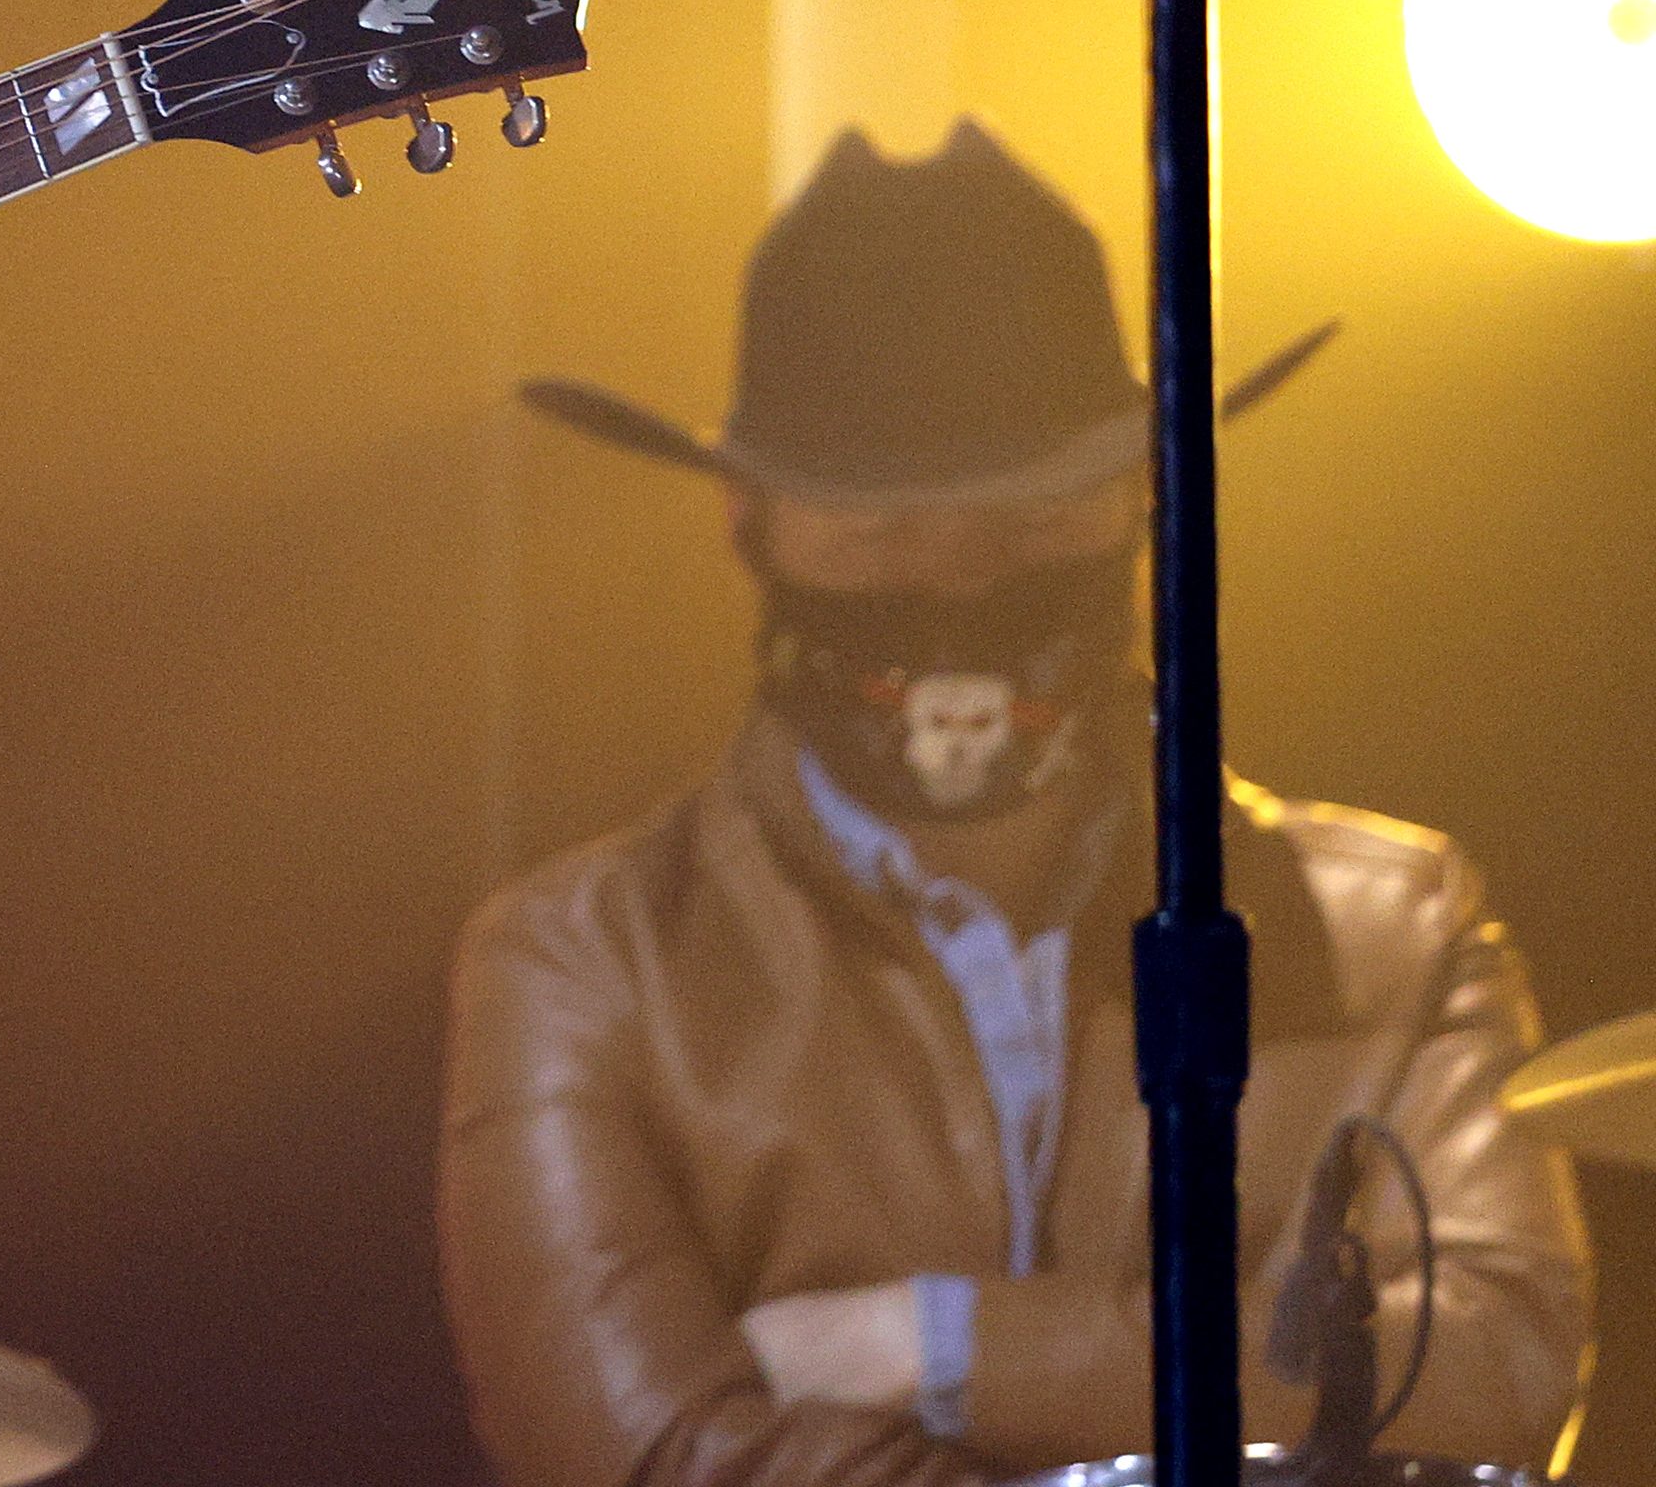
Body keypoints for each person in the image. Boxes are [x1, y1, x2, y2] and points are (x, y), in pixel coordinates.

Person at [439, 123, 1589, 1486]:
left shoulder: (1393, 929)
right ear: (747, 524)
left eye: (1035, 517)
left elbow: (1497, 1375)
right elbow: (635, 1461)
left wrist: (934, 1348)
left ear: (1146, 501)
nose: (960, 577)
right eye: (880, 530)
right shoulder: (581, 960)